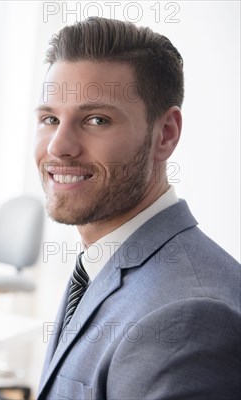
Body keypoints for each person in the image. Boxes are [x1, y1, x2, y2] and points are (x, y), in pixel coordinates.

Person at [34, 17, 241, 399]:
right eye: (49, 118)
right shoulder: (103, 262)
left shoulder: (188, 317)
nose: (58, 146)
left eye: (96, 119)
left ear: (166, 134)